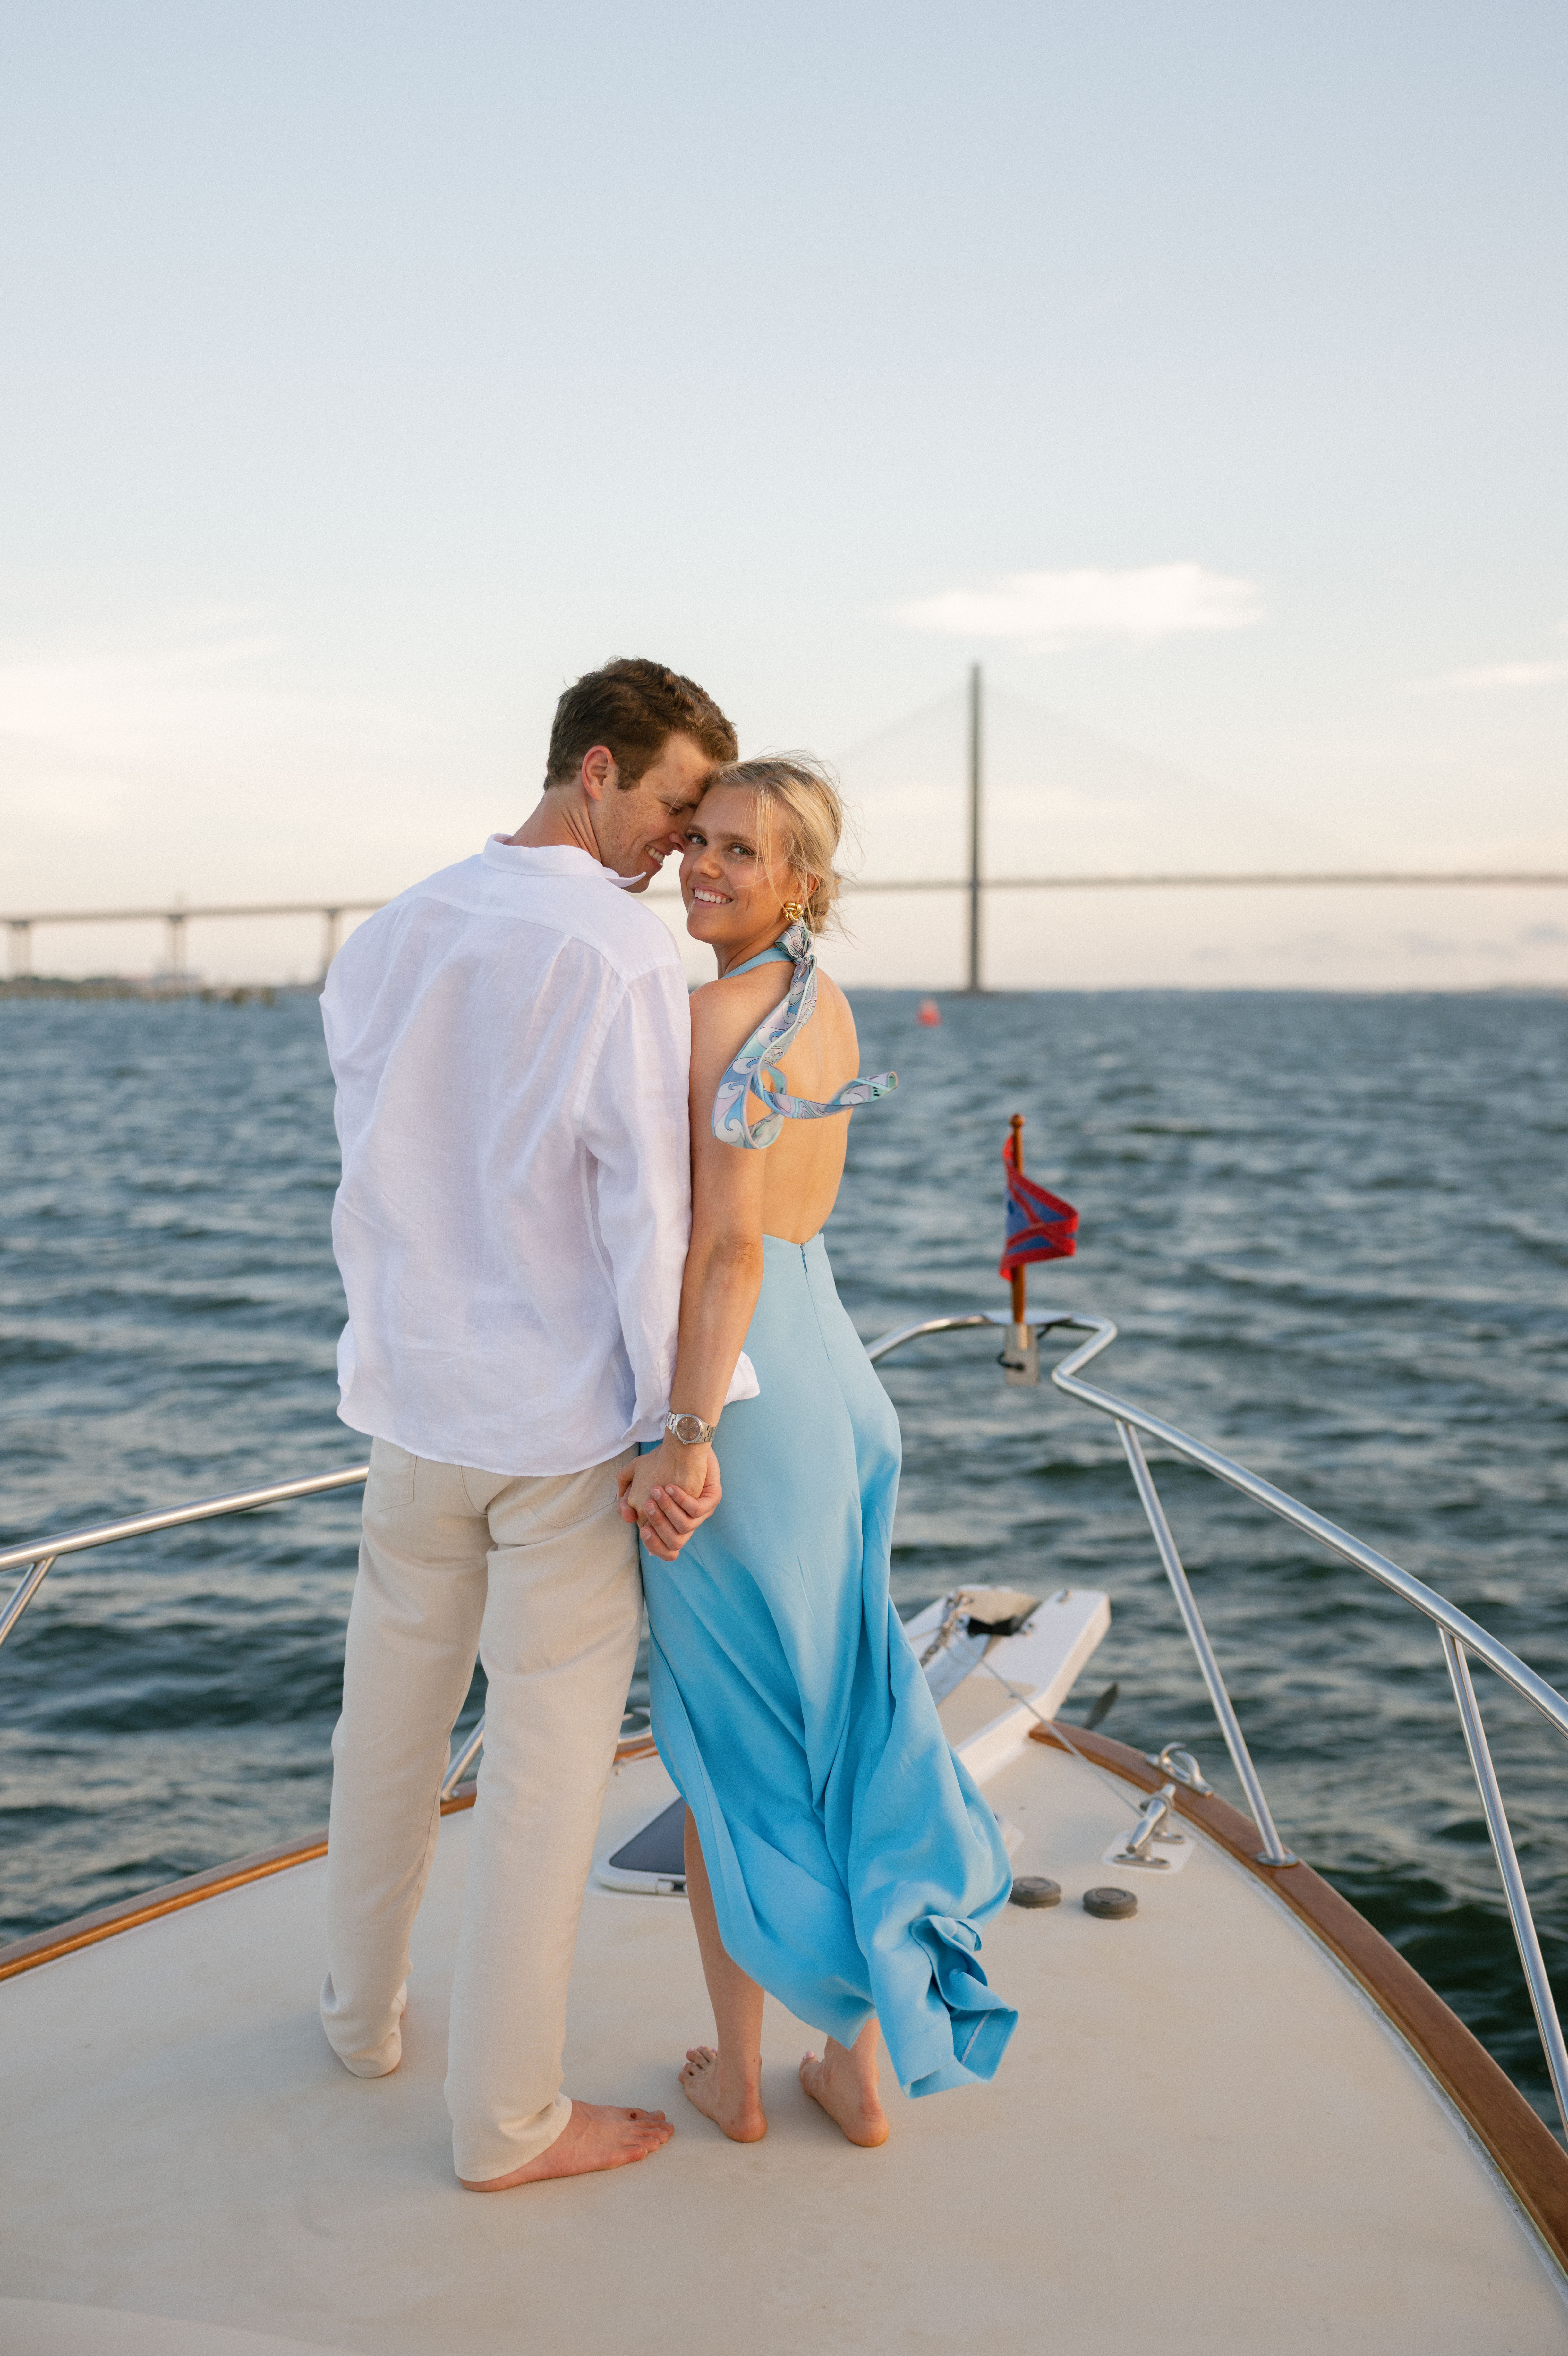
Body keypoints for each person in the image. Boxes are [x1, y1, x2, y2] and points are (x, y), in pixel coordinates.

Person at [317, 656, 737, 2190]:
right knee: (548, 1777)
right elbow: (646, 1214)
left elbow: (373, 1167)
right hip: (556, 1425)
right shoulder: (622, 959)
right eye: (680, 806)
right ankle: (505, 2126)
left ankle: (360, 2023)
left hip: (414, 1408)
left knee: (386, 1734)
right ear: (599, 772)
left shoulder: (392, 933)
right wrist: (679, 1420)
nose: (686, 850)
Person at [621, 757, 1016, 2150]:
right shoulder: (823, 1005)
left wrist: (685, 1434)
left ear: (801, 880)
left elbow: (721, 1246)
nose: (703, 868)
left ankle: (737, 2080)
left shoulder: (704, 1016)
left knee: (731, 1757)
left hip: (748, 1401)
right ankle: (854, 2068)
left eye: (739, 852)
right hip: (836, 1380)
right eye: (698, 843)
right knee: (838, 1727)